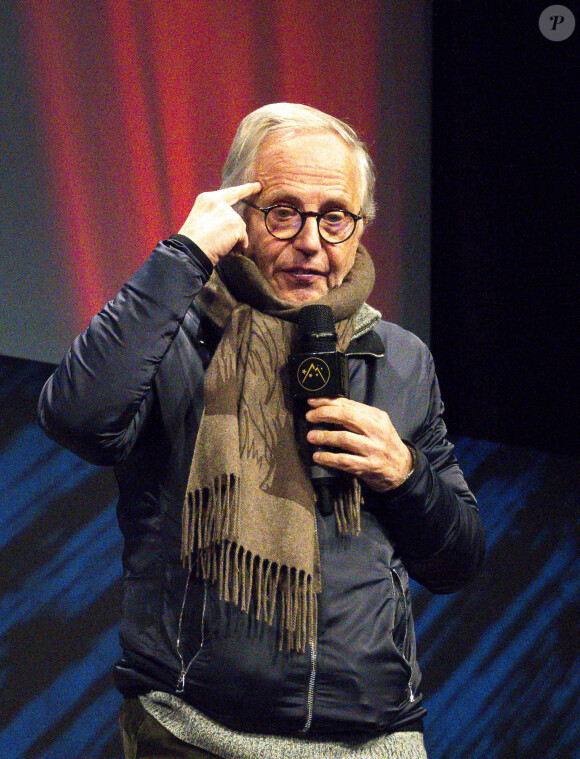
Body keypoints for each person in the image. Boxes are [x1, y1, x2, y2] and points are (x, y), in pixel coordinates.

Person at [38, 103, 485, 759]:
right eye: (284, 211)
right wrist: (182, 254)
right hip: (194, 736)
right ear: (240, 214)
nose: (311, 240)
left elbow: (457, 560)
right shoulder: (174, 333)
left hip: (375, 741)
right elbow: (78, 417)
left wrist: (405, 473)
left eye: (334, 216)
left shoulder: (401, 356)